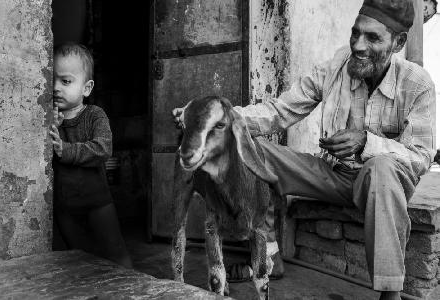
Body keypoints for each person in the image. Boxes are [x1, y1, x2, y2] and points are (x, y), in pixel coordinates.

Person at [173, 0, 436, 299]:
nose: (359, 46)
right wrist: (215, 117)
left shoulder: (417, 84)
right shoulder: (337, 67)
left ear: (399, 42)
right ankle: (268, 256)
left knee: (382, 167)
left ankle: (390, 294)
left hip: (380, 183)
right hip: (332, 174)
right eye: (355, 34)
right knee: (252, 148)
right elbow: (279, 111)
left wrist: (366, 142)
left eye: (373, 38)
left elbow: (420, 157)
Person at [50, 43, 132, 269]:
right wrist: (51, 128)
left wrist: (65, 150)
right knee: (78, 258)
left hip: (97, 202)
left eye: (66, 82)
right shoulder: (48, 116)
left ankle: (130, 289)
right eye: (52, 79)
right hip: (65, 205)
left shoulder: (95, 115)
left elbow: (103, 148)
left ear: (86, 88)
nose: (56, 88)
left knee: (115, 253)